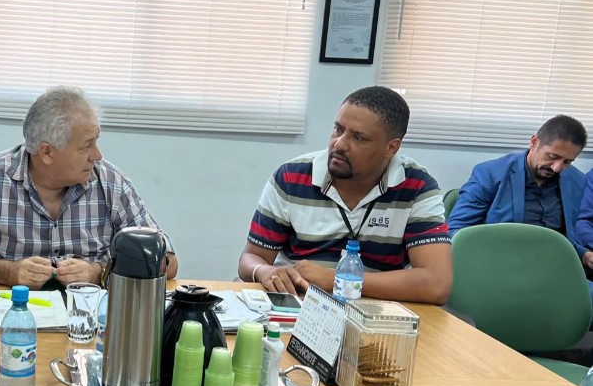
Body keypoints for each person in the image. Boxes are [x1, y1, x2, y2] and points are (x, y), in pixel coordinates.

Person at [0, 86, 178, 288]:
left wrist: (99, 272)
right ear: (47, 152)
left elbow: (168, 261)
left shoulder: (110, 183)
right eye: (86, 146)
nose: (97, 155)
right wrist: (6, 272)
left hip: (89, 323)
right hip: (12, 319)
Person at [237, 86, 452, 305]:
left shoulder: (417, 187)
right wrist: (263, 271)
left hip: (375, 311)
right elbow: (251, 258)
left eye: (358, 138)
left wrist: (336, 280)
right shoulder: (291, 178)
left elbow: (436, 284)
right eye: (338, 129)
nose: (339, 144)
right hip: (297, 303)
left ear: (391, 148)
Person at [448, 115, 589, 265]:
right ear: (534, 142)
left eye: (567, 162)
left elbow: (564, 236)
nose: (557, 167)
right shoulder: (490, 173)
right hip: (498, 262)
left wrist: (583, 254)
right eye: (552, 156)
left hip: (550, 264)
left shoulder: (575, 180)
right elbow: (457, 231)